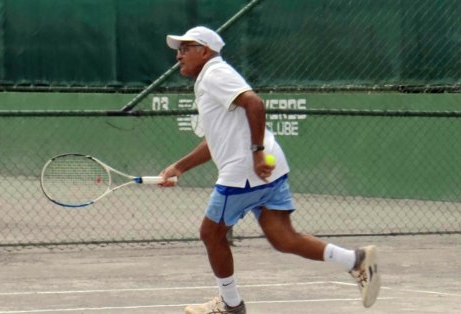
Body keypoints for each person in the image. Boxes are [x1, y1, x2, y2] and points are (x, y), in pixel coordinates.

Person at [159, 26, 381, 314]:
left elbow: (254, 102)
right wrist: (179, 167)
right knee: (284, 239)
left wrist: (256, 153)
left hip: (246, 172)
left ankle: (230, 305)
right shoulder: (210, 77)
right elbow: (216, 141)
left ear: (204, 51)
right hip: (267, 170)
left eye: (185, 48)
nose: (179, 56)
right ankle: (356, 260)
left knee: (211, 234)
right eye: (179, 49)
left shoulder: (215, 73)